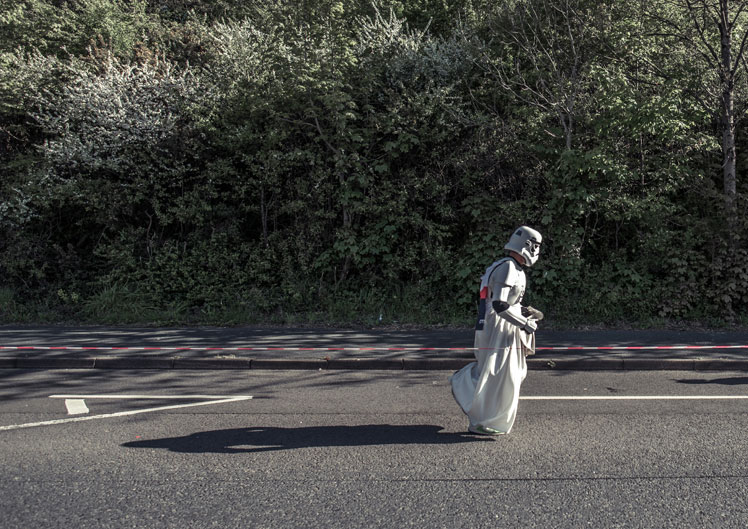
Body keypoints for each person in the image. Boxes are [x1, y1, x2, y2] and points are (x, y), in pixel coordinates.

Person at [450, 226, 543, 435]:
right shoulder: (508, 267)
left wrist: (526, 311)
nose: (537, 250)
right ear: (527, 245)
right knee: (499, 375)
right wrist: (524, 323)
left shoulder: (510, 267)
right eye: (535, 246)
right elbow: (500, 304)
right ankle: (466, 390)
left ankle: (487, 419)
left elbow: (506, 302)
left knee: (506, 375)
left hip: (505, 325)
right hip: (500, 327)